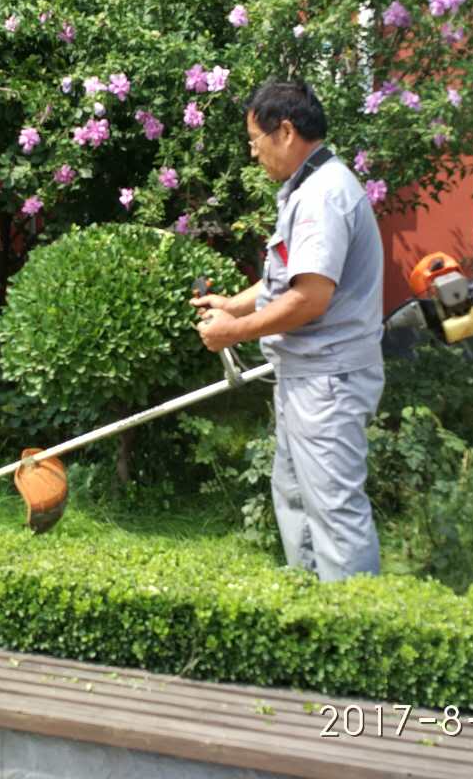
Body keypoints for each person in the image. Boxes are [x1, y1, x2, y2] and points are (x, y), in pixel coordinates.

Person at [191, 79, 385, 581]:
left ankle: (355, 629)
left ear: (285, 130)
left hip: (329, 381)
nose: (254, 154)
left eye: (255, 141)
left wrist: (235, 332)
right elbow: (290, 279)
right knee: (297, 500)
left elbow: (310, 299)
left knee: (335, 514)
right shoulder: (309, 186)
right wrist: (233, 305)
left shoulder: (322, 196)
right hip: (309, 377)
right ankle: (313, 607)